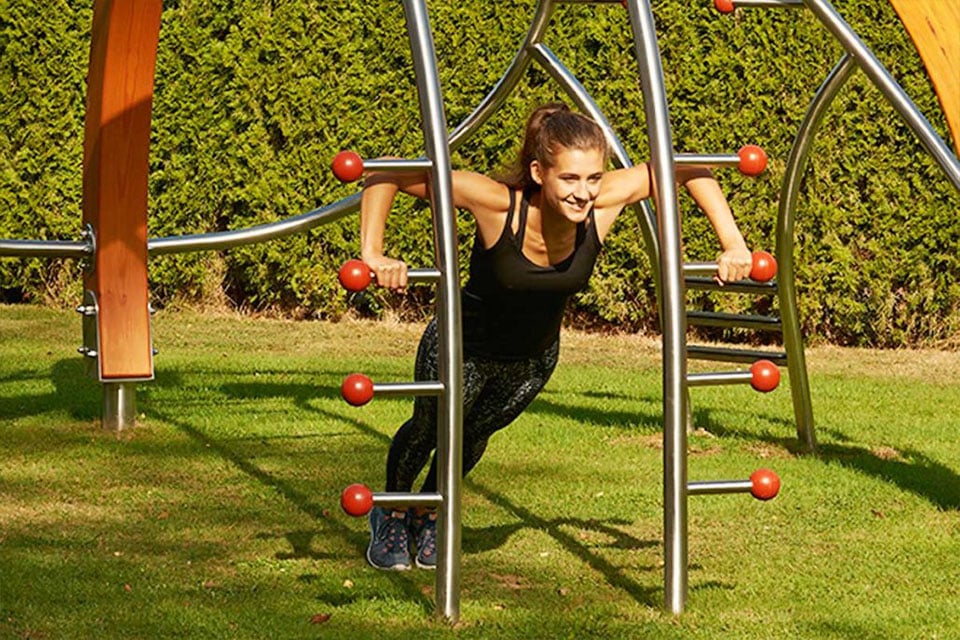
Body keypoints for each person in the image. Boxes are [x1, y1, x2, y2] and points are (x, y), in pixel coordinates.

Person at [357, 102, 754, 570]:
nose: (583, 192)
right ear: (539, 172)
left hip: (532, 359)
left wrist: (733, 242)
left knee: (473, 433)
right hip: (463, 346)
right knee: (430, 429)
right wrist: (374, 253)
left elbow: (686, 168)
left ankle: (429, 511)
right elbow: (383, 175)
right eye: (569, 178)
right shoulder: (496, 203)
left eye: (593, 178)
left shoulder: (603, 203)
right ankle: (392, 511)